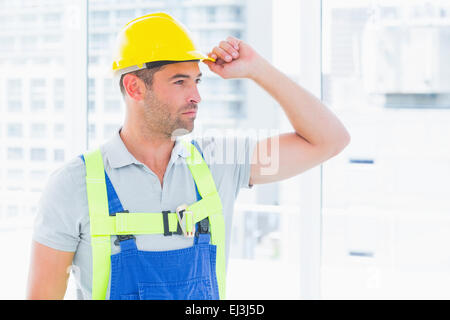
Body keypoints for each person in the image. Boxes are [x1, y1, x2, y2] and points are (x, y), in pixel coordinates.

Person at [27, 12, 350, 300]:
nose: (196, 95)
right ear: (135, 88)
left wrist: (258, 70)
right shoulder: (73, 184)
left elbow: (329, 141)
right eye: (180, 81)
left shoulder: (220, 160)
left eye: (196, 80)